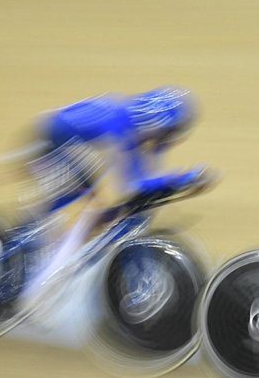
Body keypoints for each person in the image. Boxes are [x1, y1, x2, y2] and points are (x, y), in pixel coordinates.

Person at [12, 87, 209, 305]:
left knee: (100, 205)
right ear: (155, 125)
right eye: (170, 133)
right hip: (52, 144)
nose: (171, 140)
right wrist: (177, 179)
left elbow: (150, 174)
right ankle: (37, 288)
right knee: (92, 211)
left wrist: (176, 182)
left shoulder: (145, 129)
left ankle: (40, 237)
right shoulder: (121, 128)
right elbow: (128, 185)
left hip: (72, 145)